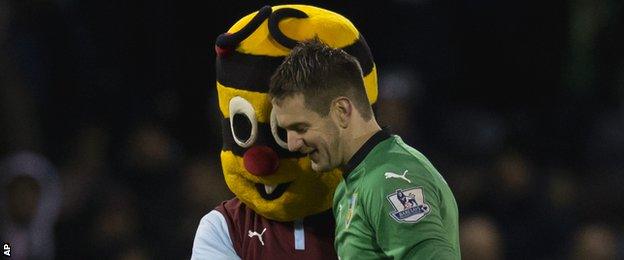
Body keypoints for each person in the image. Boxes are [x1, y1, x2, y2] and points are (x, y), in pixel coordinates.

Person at [192, 5, 379, 259]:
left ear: (344, 112)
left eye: (297, 128)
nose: (258, 163)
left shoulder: (382, 201)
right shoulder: (224, 228)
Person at [270, 39, 461, 259]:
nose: (293, 144)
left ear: (341, 110)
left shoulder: (390, 180)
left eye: (301, 128)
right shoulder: (352, 183)